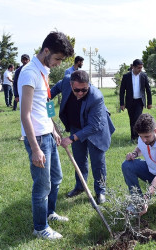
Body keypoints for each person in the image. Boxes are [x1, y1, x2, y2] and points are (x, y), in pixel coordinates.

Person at [18, 31, 74, 240]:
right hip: (38, 138)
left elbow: (47, 102)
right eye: (58, 58)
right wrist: (34, 148)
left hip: (48, 134)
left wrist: (55, 129)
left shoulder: (43, 71)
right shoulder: (29, 72)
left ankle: (50, 213)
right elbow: (25, 114)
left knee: (56, 178)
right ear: (46, 51)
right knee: (42, 186)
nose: (59, 63)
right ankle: (40, 227)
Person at [51, 70, 115, 204]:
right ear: (70, 84)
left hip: (96, 130)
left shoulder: (96, 97)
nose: (80, 93)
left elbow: (93, 126)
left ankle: (100, 191)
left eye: (84, 90)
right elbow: (54, 90)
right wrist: (46, 100)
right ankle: (80, 187)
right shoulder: (65, 82)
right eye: (77, 90)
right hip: (76, 127)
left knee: (97, 161)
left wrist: (71, 138)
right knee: (79, 160)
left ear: (89, 85)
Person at [120, 59, 152, 142]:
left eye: (141, 68)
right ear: (133, 67)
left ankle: (138, 137)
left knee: (137, 119)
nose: (140, 69)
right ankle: (133, 137)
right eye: (138, 68)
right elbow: (122, 91)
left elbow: (148, 89)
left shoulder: (144, 76)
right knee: (132, 119)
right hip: (130, 101)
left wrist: (149, 102)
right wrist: (122, 103)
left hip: (139, 101)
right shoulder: (126, 76)